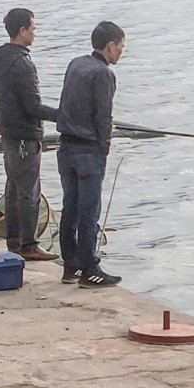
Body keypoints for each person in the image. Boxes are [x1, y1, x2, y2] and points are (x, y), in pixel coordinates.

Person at [0, 8, 60, 262]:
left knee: (13, 188)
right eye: (33, 29)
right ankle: (28, 244)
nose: (35, 33)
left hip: (7, 133)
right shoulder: (23, 64)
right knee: (29, 191)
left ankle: (14, 241)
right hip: (24, 136)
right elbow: (32, 107)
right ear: (22, 31)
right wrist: (64, 114)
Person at [56, 21, 126, 288]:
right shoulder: (103, 74)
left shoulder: (75, 64)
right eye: (120, 47)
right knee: (89, 212)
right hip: (88, 151)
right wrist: (104, 150)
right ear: (110, 46)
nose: (120, 52)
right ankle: (90, 268)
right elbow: (103, 117)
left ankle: (69, 265)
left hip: (65, 148)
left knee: (70, 208)